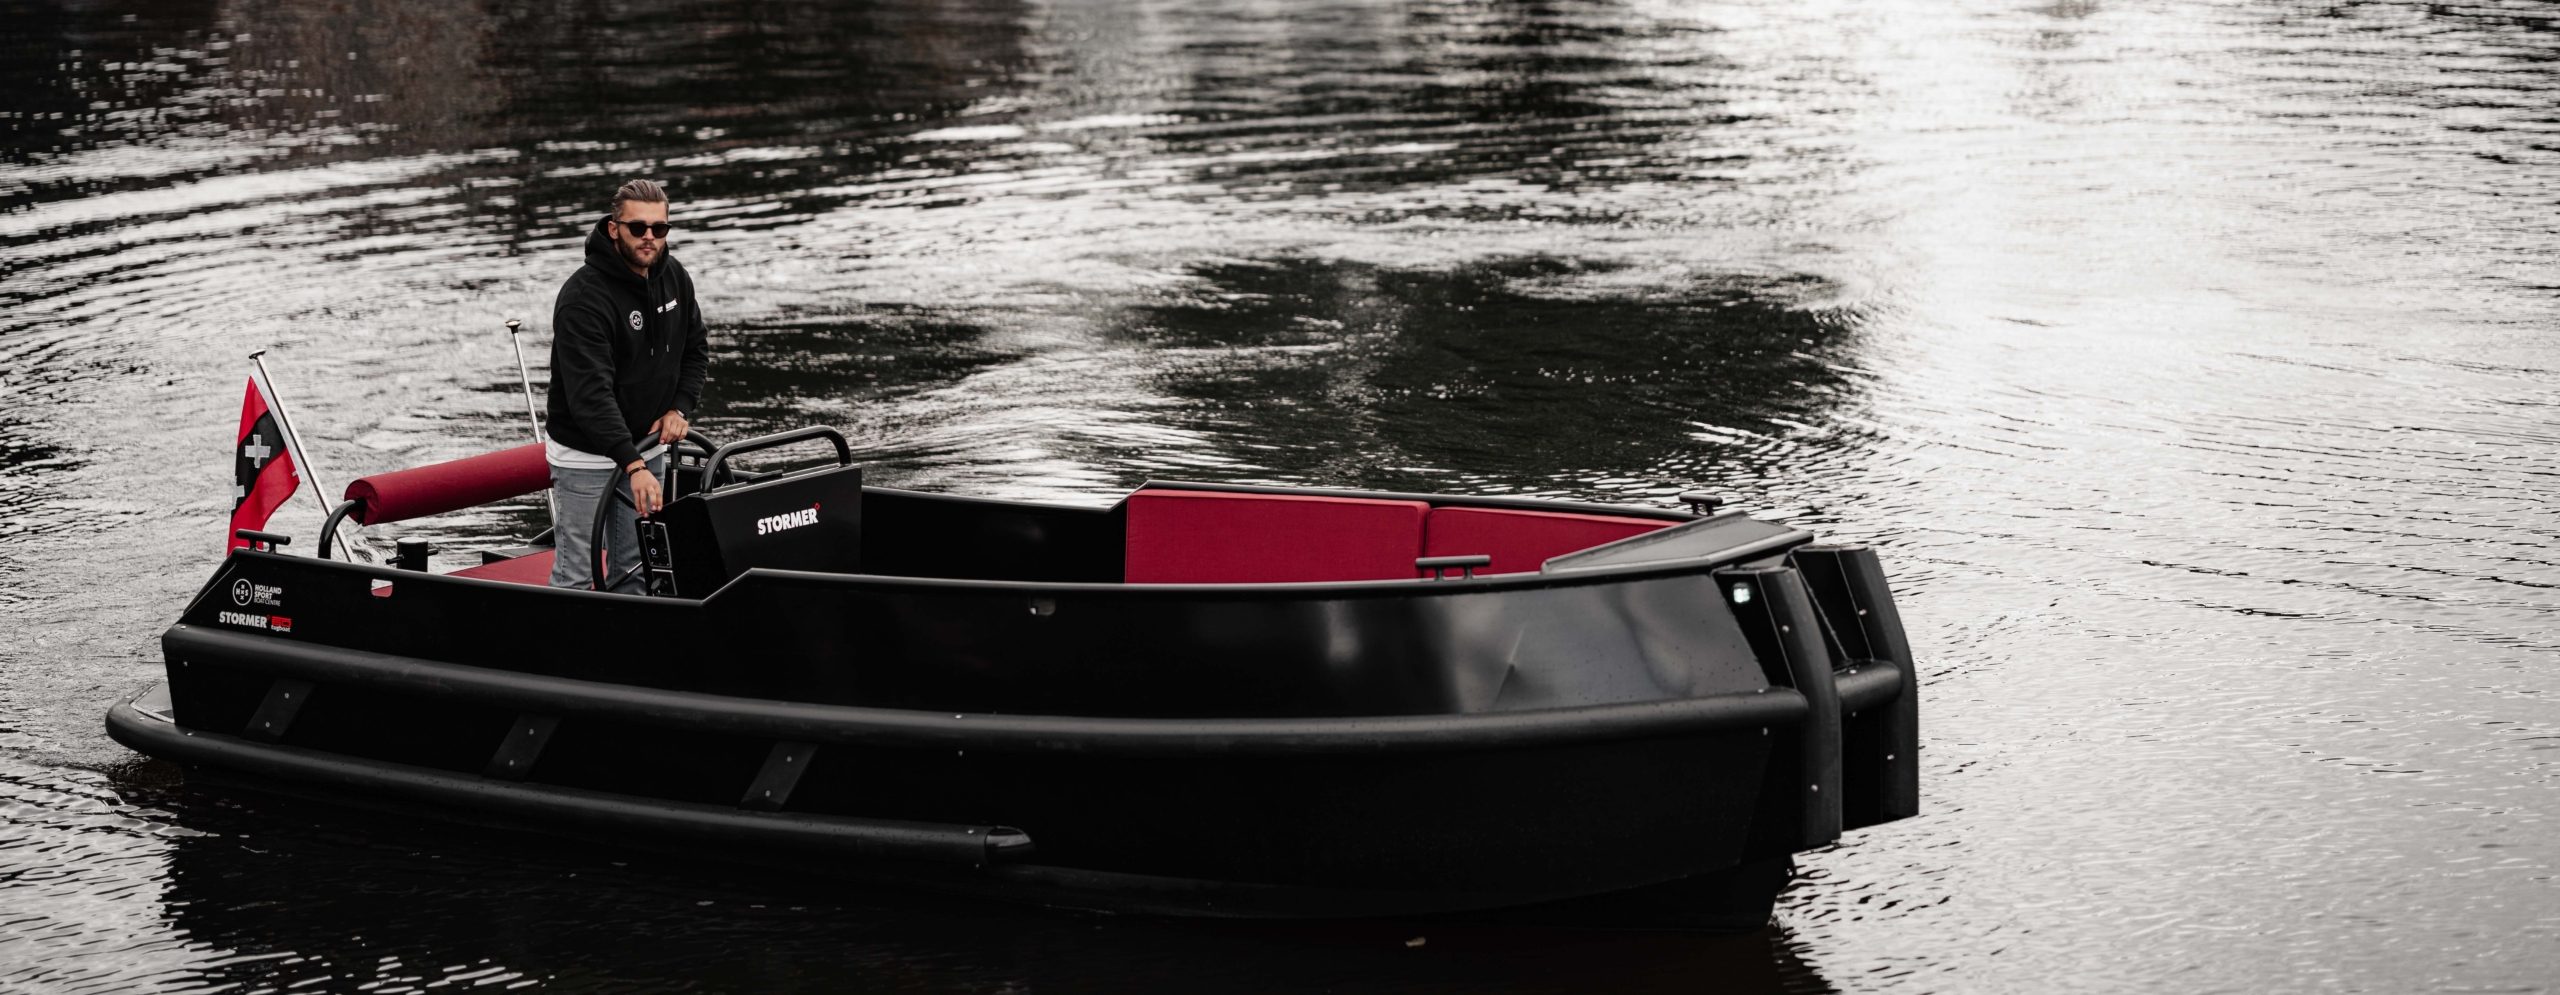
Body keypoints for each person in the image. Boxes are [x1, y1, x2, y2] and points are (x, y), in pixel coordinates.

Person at [544, 178, 709, 591]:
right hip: (585, 456)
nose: (649, 236)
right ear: (614, 228)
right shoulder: (583, 298)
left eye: (660, 228)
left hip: (646, 447)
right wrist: (633, 465)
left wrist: (679, 408)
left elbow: (695, 350)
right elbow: (590, 397)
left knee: (635, 568)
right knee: (577, 573)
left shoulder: (675, 277)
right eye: (638, 227)